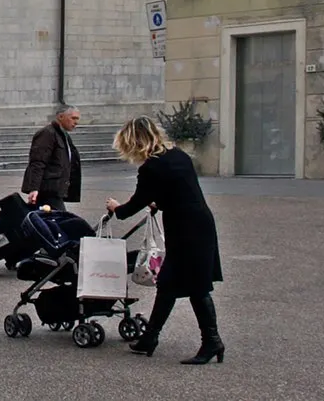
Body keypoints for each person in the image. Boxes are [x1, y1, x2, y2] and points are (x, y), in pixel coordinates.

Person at [106, 116, 224, 365]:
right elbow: (178, 189)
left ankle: (211, 341)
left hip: (185, 229)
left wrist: (116, 208)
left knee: (196, 287)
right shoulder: (178, 155)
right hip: (199, 223)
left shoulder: (151, 167)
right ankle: (150, 338)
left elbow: (133, 206)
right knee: (170, 284)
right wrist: (159, 202)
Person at [24, 105, 83, 212]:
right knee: (61, 222)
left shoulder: (62, 135)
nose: (76, 122)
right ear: (60, 117)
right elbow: (38, 162)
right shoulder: (48, 133)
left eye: (77, 119)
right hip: (47, 190)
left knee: (50, 223)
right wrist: (34, 188)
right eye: (73, 118)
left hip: (55, 190)